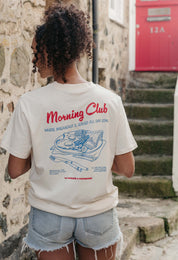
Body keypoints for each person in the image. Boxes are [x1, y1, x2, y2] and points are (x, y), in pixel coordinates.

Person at [0, 3, 137, 260]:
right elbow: (127, 168)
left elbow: (15, 169)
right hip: (99, 214)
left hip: (50, 216)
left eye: (35, 53)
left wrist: (46, 151)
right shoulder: (110, 102)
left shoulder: (29, 104)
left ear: (51, 52)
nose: (33, 60)